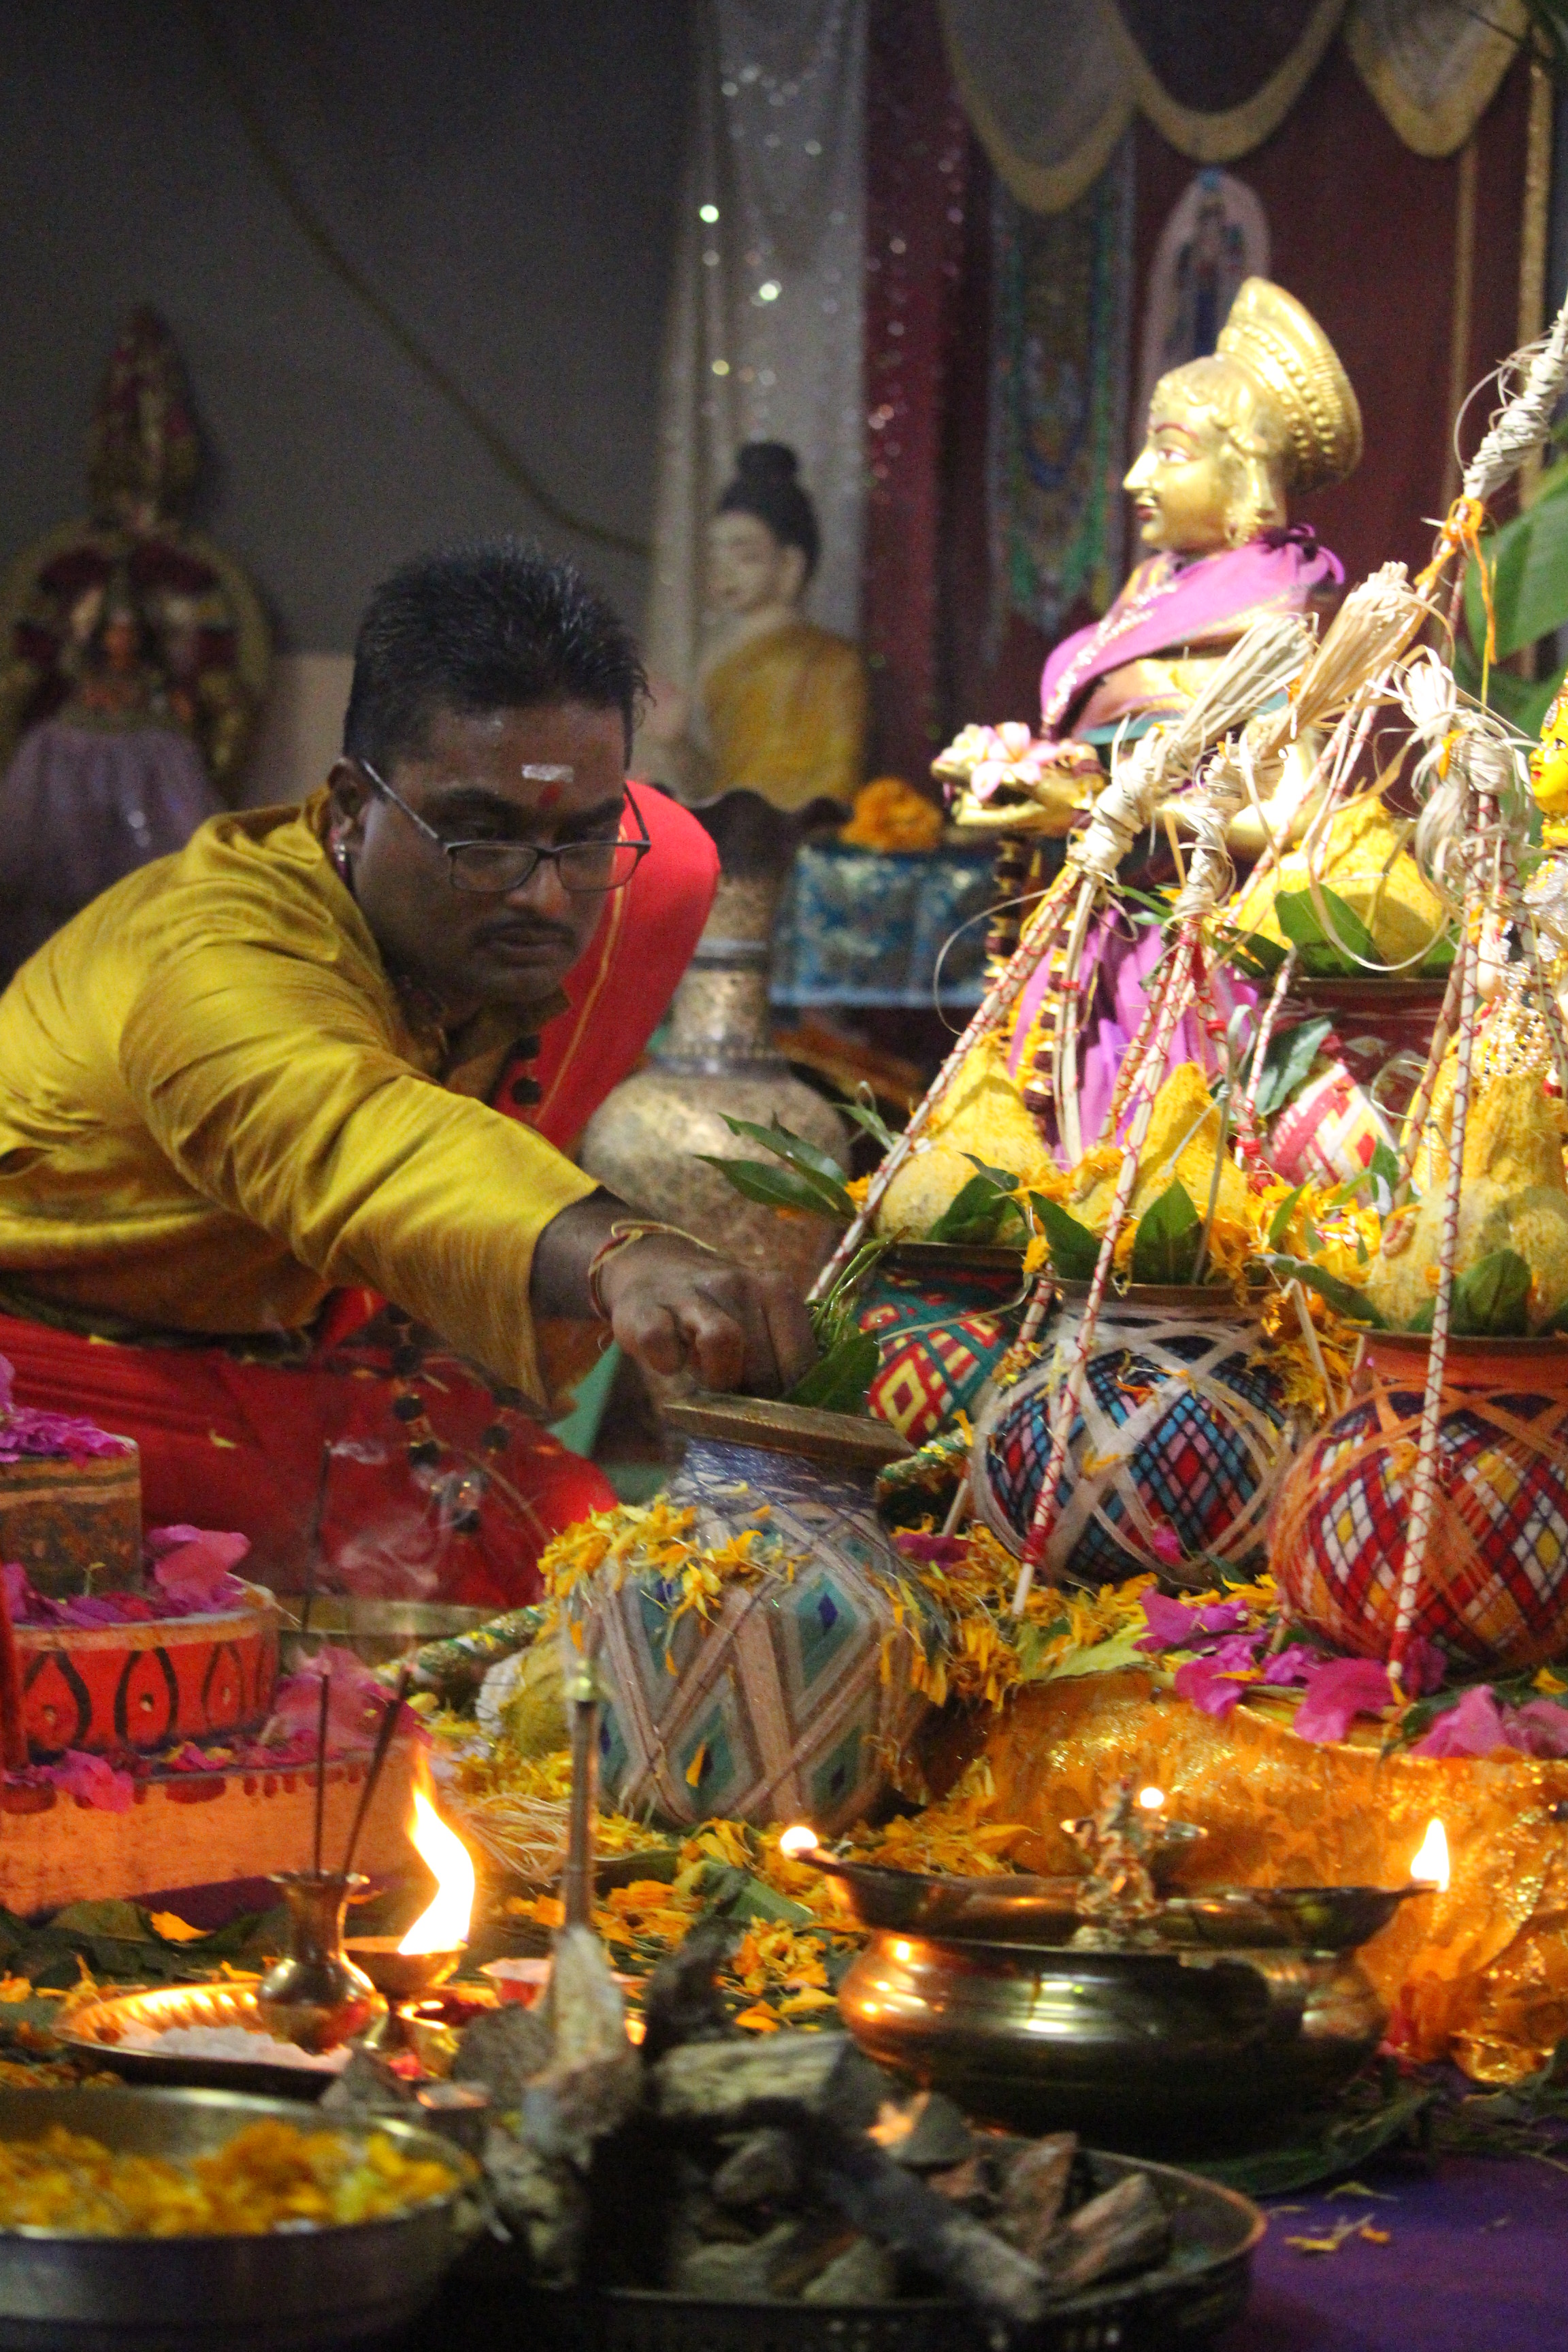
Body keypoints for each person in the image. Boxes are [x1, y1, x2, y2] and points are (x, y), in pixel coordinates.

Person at [0, 540, 815, 1607]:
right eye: (478, 838)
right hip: (74, 1375)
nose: (542, 897)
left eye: (578, 838)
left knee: (597, 1558)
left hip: (306, 1354)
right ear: (349, 808)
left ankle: (415, 1335)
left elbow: (639, 846)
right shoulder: (213, 963)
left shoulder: (619, 869)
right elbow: (351, 1133)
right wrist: (619, 1251)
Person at [644, 442, 867, 813]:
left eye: (744, 555)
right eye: (716, 556)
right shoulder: (717, 657)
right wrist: (675, 743)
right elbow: (716, 784)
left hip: (796, 847)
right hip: (731, 840)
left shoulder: (832, 663)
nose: (724, 572)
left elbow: (836, 785)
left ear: (790, 564)